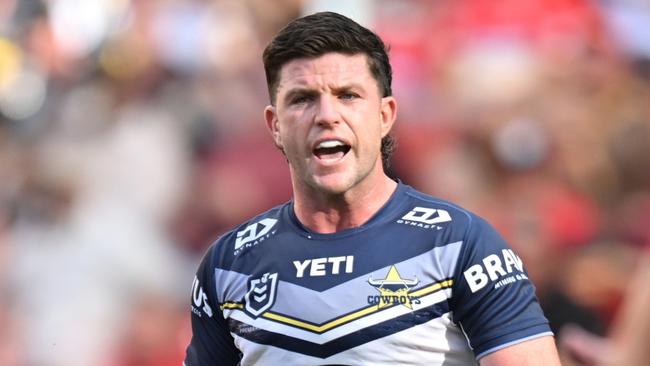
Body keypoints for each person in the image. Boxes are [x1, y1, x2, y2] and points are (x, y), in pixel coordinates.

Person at [184, 11, 561, 366]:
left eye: (348, 95)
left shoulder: (461, 243)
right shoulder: (228, 265)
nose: (327, 115)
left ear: (385, 116)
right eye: (302, 99)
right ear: (275, 125)